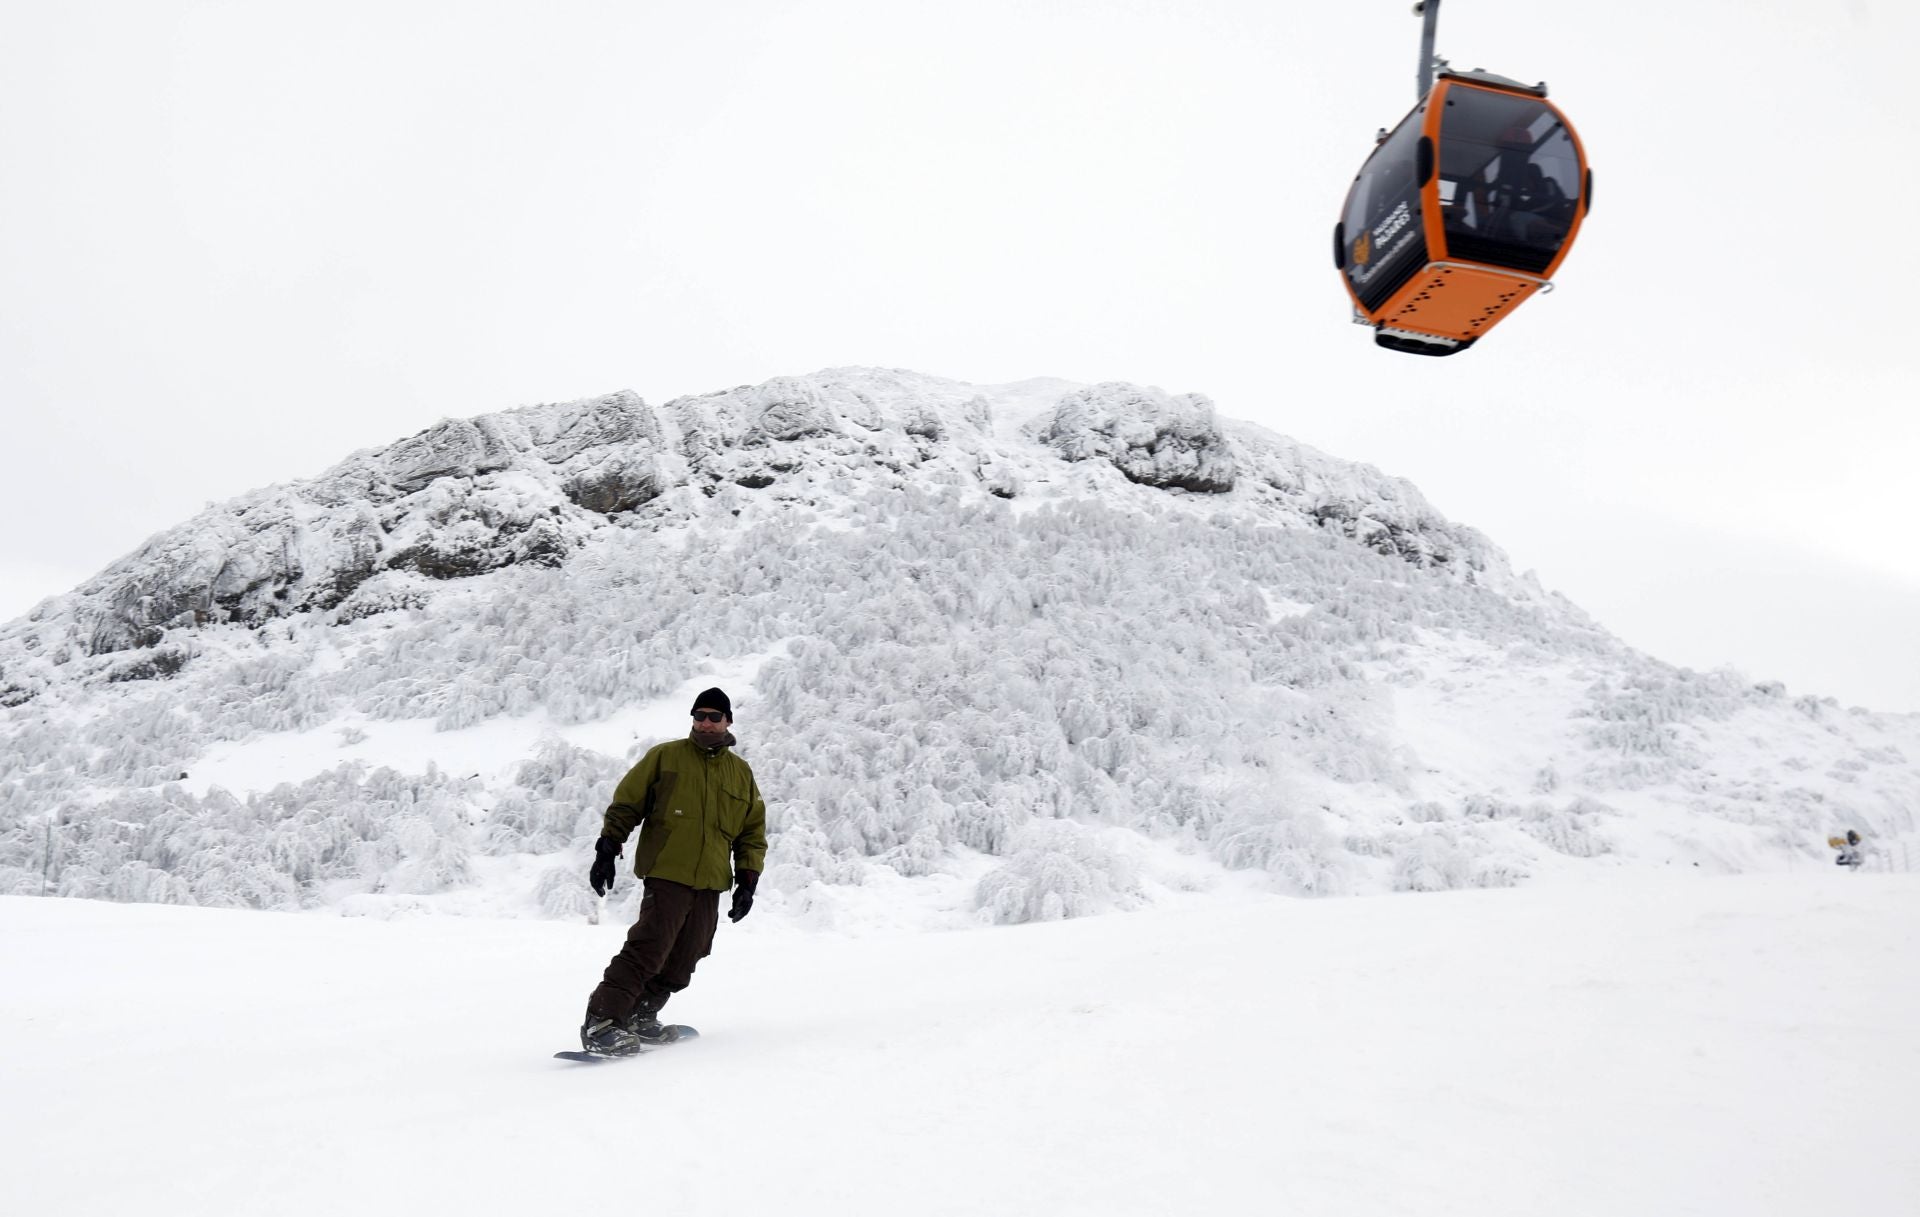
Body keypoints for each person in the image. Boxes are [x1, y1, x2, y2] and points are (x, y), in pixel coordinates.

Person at [578, 687, 768, 1055]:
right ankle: (602, 1021)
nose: (706, 723)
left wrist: (748, 879)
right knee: (649, 947)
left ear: (728, 721)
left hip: (710, 880)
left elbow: (751, 832)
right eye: (699, 716)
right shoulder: (666, 758)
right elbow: (628, 803)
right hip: (668, 871)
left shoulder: (740, 773)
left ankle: (641, 1013)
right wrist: (608, 846)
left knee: (688, 953)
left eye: (714, 716)